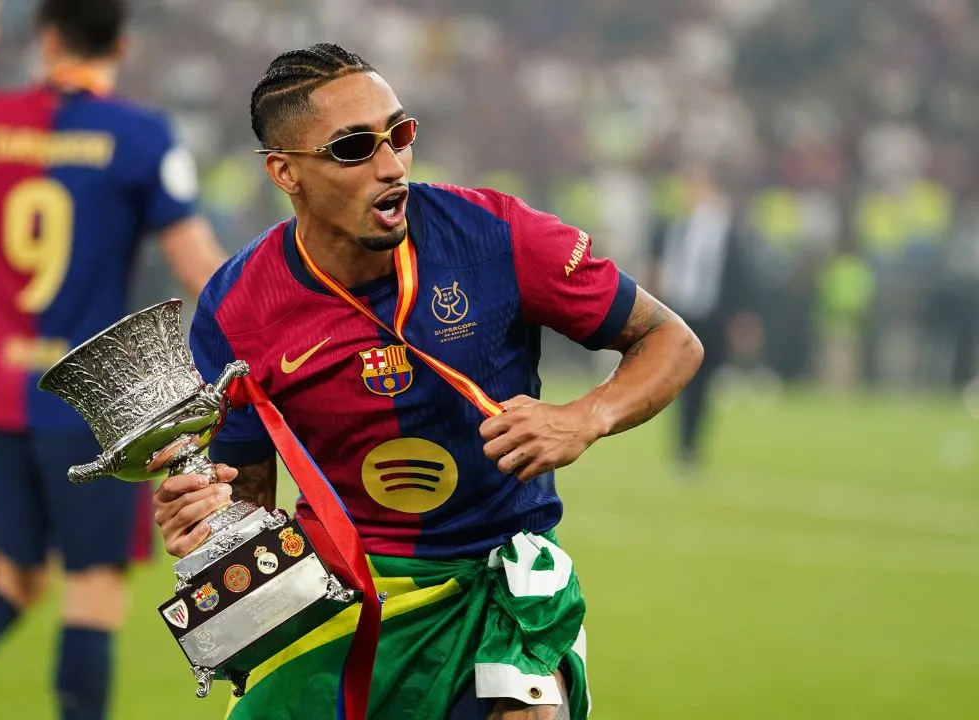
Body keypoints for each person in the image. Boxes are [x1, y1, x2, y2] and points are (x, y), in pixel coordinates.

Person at [151, 44, 704, 720]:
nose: (391, 166)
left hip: (499, 584)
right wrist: (209, 521)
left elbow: (670, 339)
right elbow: (248, 502)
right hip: (347, 594)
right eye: (354, 148)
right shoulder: (238, 309)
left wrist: (583, 417)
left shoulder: (494, 234)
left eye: (400, 134)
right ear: (284, 172)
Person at [0, 1, 227, 719]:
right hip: (94, 402)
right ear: (122, 45)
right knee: (93, 592)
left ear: (46, 38)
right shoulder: (140, 134)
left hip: (8, 391)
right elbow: (197, 264)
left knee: (12, 577)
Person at [648, 162, 759, 472]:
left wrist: (740, 317)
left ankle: (690, 446)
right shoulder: (676, 225)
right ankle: (685, 447)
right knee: (683, 383)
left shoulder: (724, 228)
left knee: (702, 382)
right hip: (681, 313)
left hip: (712, 315)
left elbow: (738, 272)